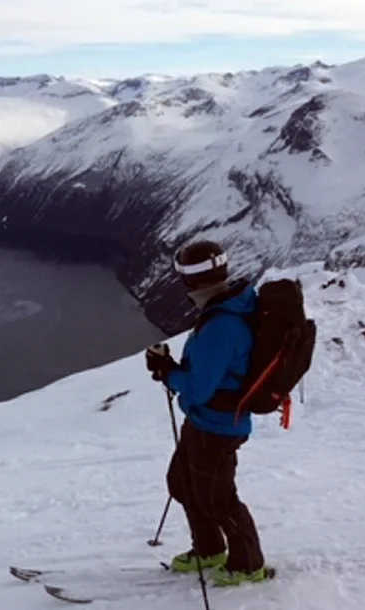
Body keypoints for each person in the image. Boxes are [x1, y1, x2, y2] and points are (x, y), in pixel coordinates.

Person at [144, 239, 274, 587]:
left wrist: (167, 371)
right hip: (204, 420)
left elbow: (199, 387)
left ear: (188, 279)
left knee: (219, 499)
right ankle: (209, 549)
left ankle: (248, 564)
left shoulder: (222, 326)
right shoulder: (225, 307)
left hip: (219, 426)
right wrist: (171, 368)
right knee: (183, 483)